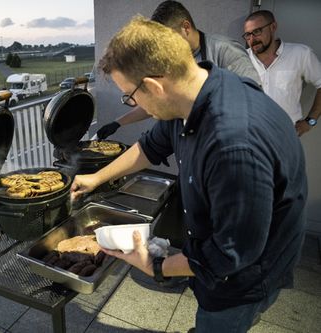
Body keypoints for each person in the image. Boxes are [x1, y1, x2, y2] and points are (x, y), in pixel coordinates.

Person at [71, 16, 307, 332]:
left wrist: (157, 266)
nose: (131, 103)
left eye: (130, 96)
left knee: (218, 322)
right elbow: (149, 147)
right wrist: (95, 179)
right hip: (226, 247)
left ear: (154, 86)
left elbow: (228, 255)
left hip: (244, 278)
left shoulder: (233, 144)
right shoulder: (195, 91)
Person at [96, 0, 260, 140]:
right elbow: (154, 101)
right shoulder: (170, 60)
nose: (164, 47)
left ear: (186, 27)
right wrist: (119, 122)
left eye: (168, 38)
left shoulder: (225, 50)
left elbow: (253, 97)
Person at [243, 10, 321, 136]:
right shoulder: (240, 59)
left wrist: (310, 121)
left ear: (273, 27)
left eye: (257, 31)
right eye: (247, 35)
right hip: (250, 137)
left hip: (286, 137)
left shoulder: (301, 54)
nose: (252, 39)